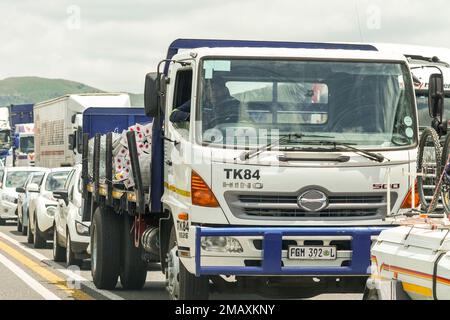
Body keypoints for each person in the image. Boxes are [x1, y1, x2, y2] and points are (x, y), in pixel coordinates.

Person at [169, 77, 240, 128]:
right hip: (201, 139)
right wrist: (192, 117)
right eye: (210, 90)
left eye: (217, 90)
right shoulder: (199, 102)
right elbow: (173, 115)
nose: (213, 94)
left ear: (224, 90)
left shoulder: (234, 104)